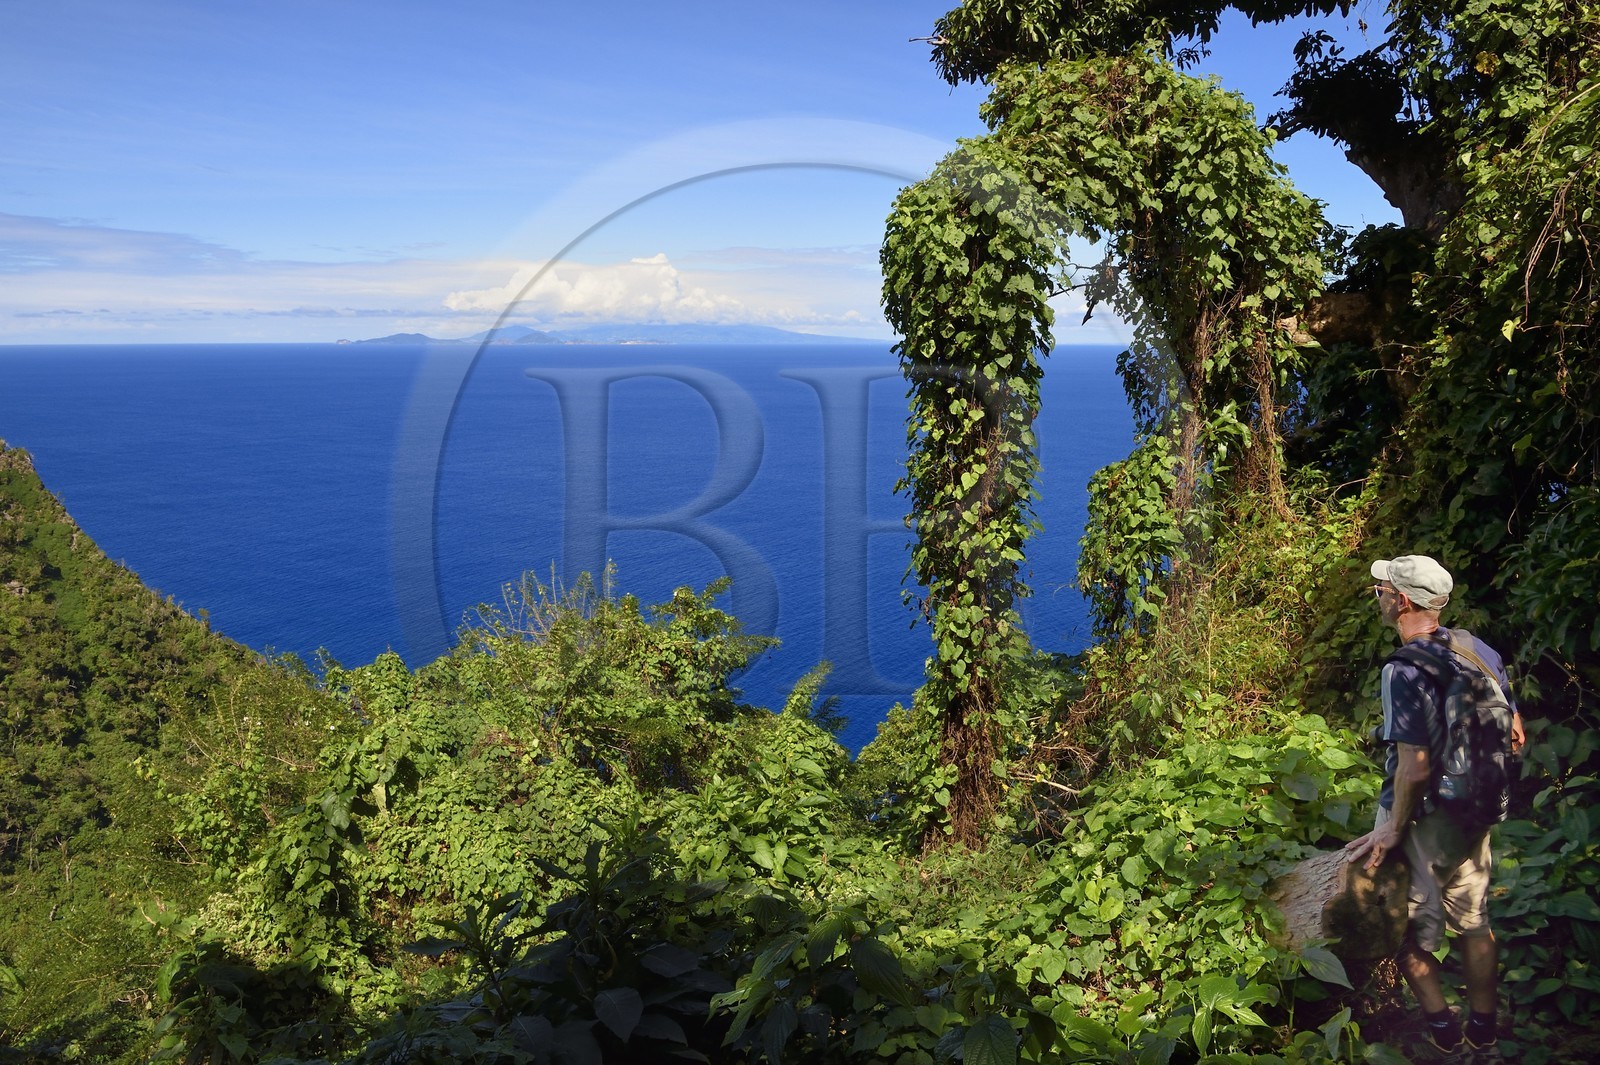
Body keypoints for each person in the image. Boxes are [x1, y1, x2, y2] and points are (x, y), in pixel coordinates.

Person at [1343, 554, 1525, 1060]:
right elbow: (1514, 725)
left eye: (1382, 591)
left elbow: (1414, 767)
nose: (1378, 597)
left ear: (1401, 601)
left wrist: (1391, 830)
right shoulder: (1475, 649)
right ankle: (1484, 1028)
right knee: (1473, 918)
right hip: (1479, 809)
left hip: (1427, 818)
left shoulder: (1403, 671)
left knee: (1401, 929)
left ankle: (1443, 1029)